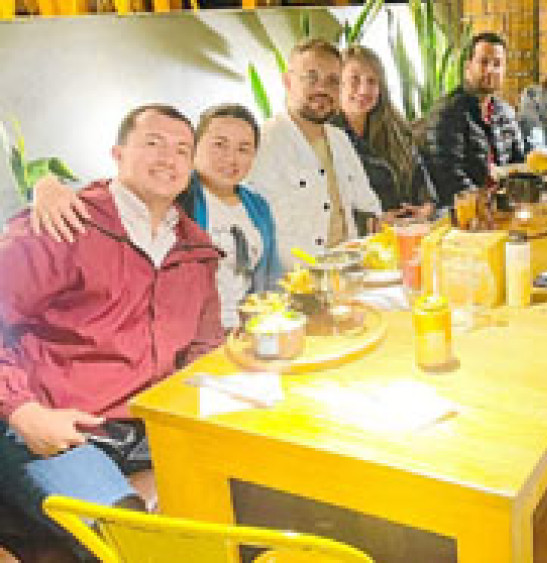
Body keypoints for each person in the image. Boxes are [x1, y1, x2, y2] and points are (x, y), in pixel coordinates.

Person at [0, 105, 223, 559]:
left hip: (147, 428)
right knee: (136, 546)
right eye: (153, 144)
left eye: (183, 149)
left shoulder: (195, 249)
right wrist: (23, 411)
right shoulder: (65, 224)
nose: (169, 158)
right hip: (60, 427)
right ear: (118, 154)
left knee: (255, 504)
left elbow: (204, 347)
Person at [29, 104, 280, 331]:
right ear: (195, 150)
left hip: (241, 331)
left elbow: (267, 278)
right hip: (179, 330)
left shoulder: (257, 206)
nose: (230, 157)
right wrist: (46, 185)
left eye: (244, 149)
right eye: (219, 144)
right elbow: (119, 190)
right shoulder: (176, 193)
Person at [247, 38, 381, 263]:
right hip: (293, 284)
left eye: (332, 81)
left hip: (348, 272)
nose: (322, 89)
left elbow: (369, 206)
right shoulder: (261, 143)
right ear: (288, 82)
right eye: (311, 78)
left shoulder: (339, 139)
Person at [331, 45, 436, 221]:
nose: (364, 90)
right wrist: (375, 221)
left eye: (372, 81)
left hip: (411, 229)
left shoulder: (397, 128)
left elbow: (422, 179)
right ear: (338, 83)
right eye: (354, 79)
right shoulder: (327, 135)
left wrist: (427, 207)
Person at [422, 31, 525, 206]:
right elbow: (449, 180)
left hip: (505, 206)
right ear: (468, 66)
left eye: (497, 64)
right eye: (484, 62)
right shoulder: (447, 112)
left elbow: (519, 164)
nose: (490, 70)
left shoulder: (506, 112)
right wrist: (485, 203)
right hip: (466, 214)